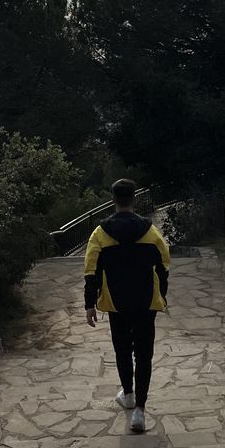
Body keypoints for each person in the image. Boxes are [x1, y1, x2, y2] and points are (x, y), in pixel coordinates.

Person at [84, 178, 170, 433]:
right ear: (134, 199)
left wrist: (90, 304)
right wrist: (162, 297)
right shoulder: (151, 232)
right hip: (146, 302)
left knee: (122, 350)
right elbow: (164, 267)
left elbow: (91, 271)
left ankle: (129, 395)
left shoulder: (100, 234)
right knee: (144, 355)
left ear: (113, 200)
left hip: (115, 303)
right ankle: (140, 412)